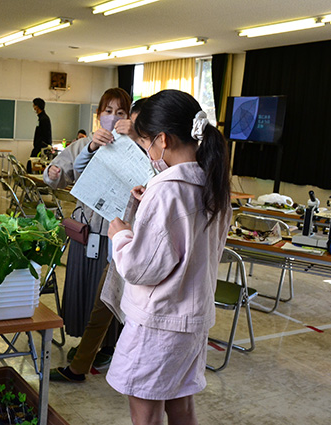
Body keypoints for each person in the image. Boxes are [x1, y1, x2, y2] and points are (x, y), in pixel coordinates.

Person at [106, 89, 231, 425]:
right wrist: (151, 204)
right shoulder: (212, 182)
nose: (147, 152)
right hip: (192, 319)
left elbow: (139, 267)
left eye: (146, 142)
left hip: (160, 320)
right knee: (181, 403)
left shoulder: (167, 190)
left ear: (162, 139)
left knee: (145, 411)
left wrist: (121, 234)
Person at [50, 96, 147, 383]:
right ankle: (85, 350)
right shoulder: (84, 144)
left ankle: (102, 350)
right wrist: (55, 171)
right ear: (98, 114)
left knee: (109, 296)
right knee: (86, 292)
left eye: (121, 112)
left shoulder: (138, 148)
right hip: (88, 231)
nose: (114, 118)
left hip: (119, 235)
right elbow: (62, 175)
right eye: (108, 111)